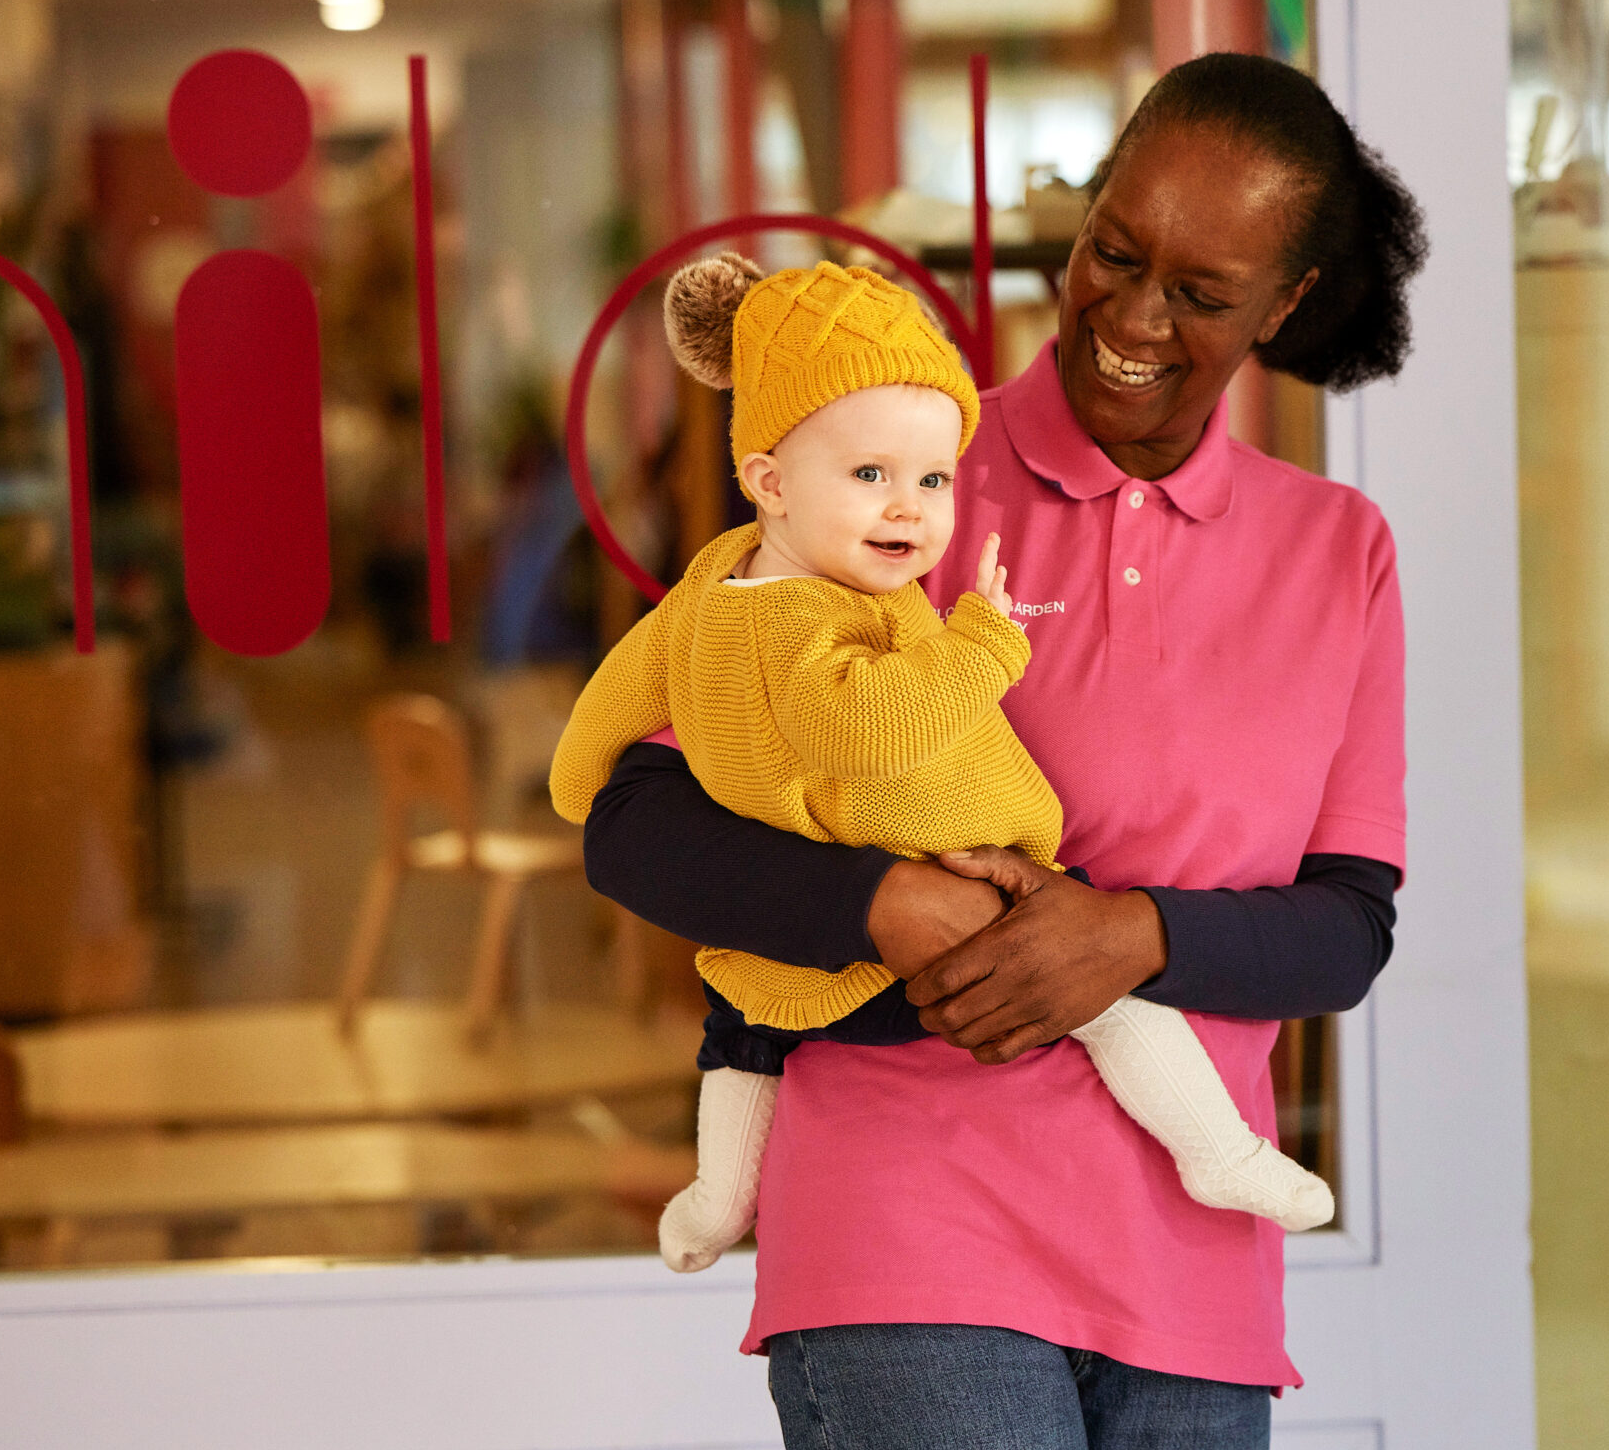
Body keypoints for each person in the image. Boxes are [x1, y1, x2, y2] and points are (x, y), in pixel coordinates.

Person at [579, 51, 1424, 1450]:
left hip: (1191, 1254)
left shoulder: (1336, 551)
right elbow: (637, 820)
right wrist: (874, 901)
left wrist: (1134, 936)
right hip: (910, 1217)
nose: (1136, 319)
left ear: (1280, 309)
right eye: (1115, 250)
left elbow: (1346, 929)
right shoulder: (894, 472)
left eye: (1203, 292)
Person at [548, 254, 1335, 1268]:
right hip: (936, 905)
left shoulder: (710, 584)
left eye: (931, 480)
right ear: (768, 481)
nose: (907, 510)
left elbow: (622, 687)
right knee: (1106, 991)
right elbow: (864, 725)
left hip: (810, 929)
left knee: (743, 1025)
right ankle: (1216, 1145)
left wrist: (578, 779)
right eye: (870, 476)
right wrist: (981, 648)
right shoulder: (808, 621)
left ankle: (714, 1195)